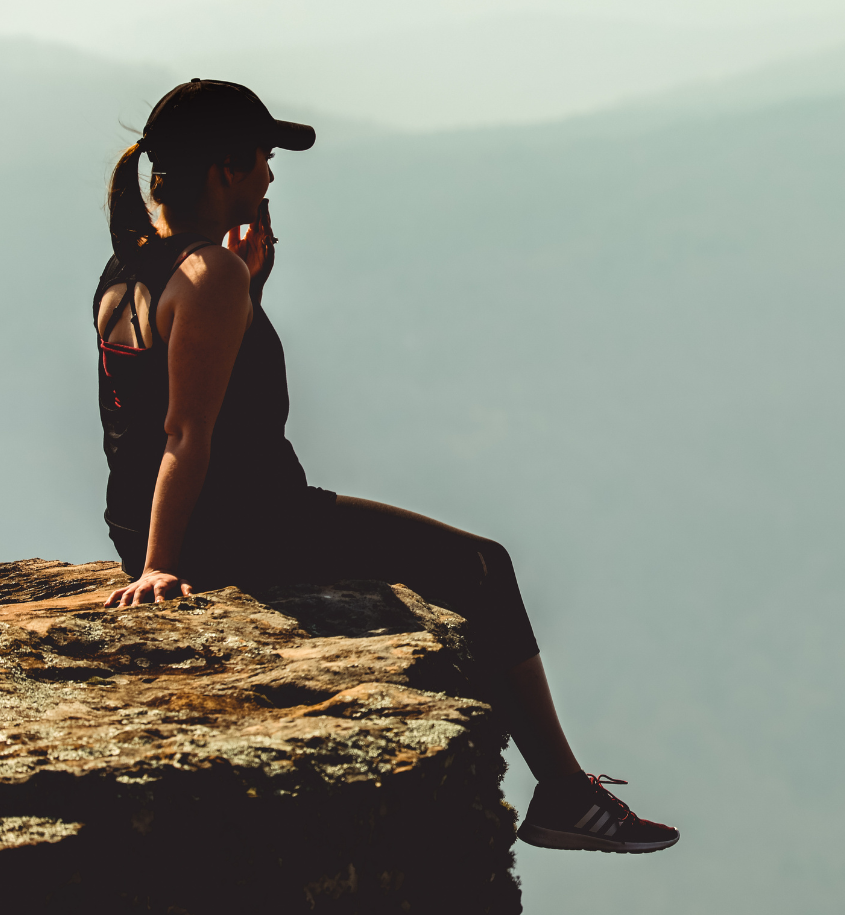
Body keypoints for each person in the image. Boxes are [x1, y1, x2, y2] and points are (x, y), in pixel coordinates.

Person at [95, 78, 678, 854]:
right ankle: (565, 795)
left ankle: (565, 792)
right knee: (481, 566)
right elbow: (183, 432)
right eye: (263, 159)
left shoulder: (130, 268)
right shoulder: (209, 276)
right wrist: (164, 567)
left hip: (155, 521)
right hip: (247, 526)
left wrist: (251, 293)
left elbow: (151, 412)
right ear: (224, 171)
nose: (271, 177)